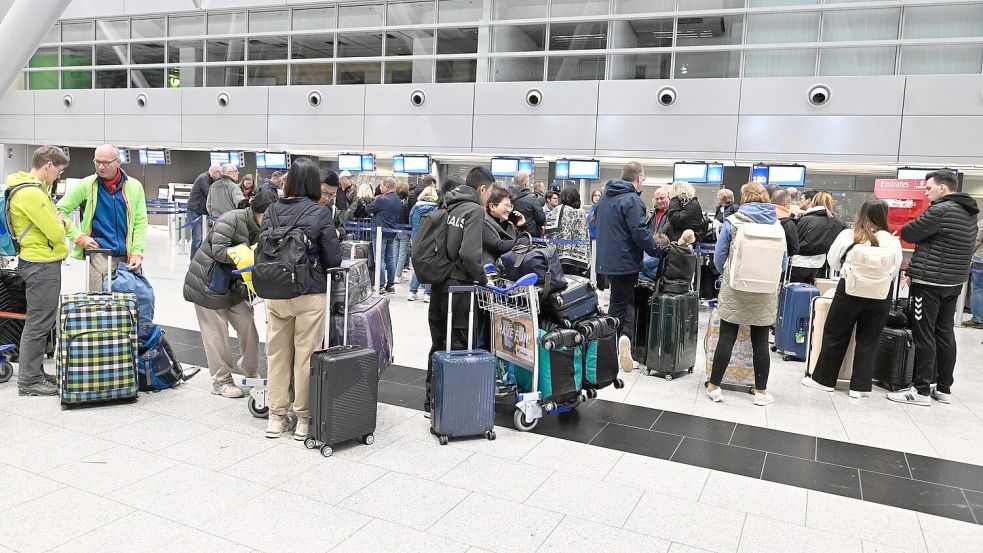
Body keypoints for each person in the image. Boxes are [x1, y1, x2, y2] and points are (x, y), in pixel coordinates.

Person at [261, 158, 342, 439]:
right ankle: (304, 420)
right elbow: (333, 259)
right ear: (312, 184)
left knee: (277, 355)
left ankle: (276, 417)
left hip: (275, 292)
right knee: (305, 356)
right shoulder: (319, 214)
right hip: (309, 293)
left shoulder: (271, 209)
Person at [888, 171, 979, 406]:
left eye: (929, 188)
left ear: (943, 188)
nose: (926, 192)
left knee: (923, 334)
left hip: (929, 284)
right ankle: (944, 387)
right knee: (945, 333)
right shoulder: (969, 213)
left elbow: (909, 232)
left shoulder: (940, 210)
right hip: (953, 283)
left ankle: (920, 391)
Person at [802, 200, 902, 397]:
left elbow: (833, 260)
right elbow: (895, 269)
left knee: (835, 334)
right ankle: (860, 387)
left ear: (862, 213)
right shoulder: (891, 240)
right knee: (868, 339)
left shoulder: (850, 234)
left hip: (850, 288)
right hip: (880, 293)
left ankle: (824, 380)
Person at [183, 191, 277, 399]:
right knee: (216, 334)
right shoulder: (231, 219)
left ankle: (250, 370)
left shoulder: (263, 228)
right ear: (257, 212)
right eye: (268, 217)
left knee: (247, 325)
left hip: (233, 286)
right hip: (207, 284)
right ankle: (221, 381)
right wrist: (246, 253)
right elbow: (218, 251)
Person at [706, 182, 786, 406]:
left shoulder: (733, 222)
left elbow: (719, 258)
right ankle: (761, 392)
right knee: (760, 342)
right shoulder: (777, 225)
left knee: (726, 338)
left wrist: (729, 276)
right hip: (765, 290)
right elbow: (783, 262)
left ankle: (714, 387)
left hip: (735, 288)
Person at [425, 167, 494, 416]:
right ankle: (453, 404)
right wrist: (483, 278)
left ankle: (431, 400)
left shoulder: (448, 206)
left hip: (439, 284)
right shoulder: (474, 211)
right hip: (460, 289)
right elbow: (469, 254)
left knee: (438, 342)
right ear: (482, 189)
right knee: (460, 342)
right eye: (490, 192)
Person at [7, 146, 72, 396]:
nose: (57, 175)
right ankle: (29, 381)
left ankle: (35, 372)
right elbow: (56, 231)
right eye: (58, 170)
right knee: (38, 323)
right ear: (48, 165)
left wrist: (58, 220)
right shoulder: (31, 194)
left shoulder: (28, 188)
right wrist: (63, 222)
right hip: (41, 264)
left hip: (37, 262)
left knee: (41, 322)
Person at [595, 162, 661, 373]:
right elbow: (639, 232)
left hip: (608, 260)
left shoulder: (606, 197)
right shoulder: (632, 200)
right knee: (618, 306)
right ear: (639, 178)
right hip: (625, 261)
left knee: (624, 301)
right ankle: (609, 349)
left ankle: (624, 339)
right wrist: (657, 250)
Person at [58, 144, 148, 291]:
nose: (100, 167)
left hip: (129, 257)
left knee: (130, 303)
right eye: (97, 162)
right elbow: (59, 211)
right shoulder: (87, 185)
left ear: (118, 162)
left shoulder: (135, 186)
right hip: (100, 255)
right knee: (100, 305)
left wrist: (137, 252)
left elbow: (140, 222)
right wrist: (79, 237)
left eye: (106, 163)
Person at [790, 191, 846, 284]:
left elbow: (795, 240)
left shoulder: (805, 219)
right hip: (821, 263)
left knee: (794, 291)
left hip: (799, 262)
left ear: (814, 201)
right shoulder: (838, 223)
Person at [366, 177, 401, 293]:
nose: (380, 188)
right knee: (390, 259)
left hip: (379, 233)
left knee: (379, 259)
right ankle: (390, 285)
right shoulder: (397, 200)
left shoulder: (382, 200)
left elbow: (368, 209)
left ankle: (380, 285)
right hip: (392, 232)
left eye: (381, 186)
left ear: (386, 186)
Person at [544, 187, 590, 277]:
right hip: (576, 256)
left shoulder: (555, 210)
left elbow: (548, 230)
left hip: (557, 254)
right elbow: (585, 234)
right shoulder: (580, 213)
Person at [408, 185, 440, 302]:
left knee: (417, 265)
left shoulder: (415, 208)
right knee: (430, 265)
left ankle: (412, 292)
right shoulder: (436, 209)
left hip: (416, 237)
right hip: (430, 239)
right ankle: (427, 293)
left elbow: (411, 222)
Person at [186, 164, 221, 260]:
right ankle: (193, 261)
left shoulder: (209, 180)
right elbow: (210, 195)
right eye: (220, 174)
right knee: (197, 239)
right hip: (195, 211)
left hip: (201, 212)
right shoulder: (203, 178)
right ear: (215, 172)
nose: (220, 176)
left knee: (202, 239)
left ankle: (199, 260)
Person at [483, 185, 522, 266]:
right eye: (506, 206)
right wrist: (519, 242)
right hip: (488, 271)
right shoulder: (483, 222)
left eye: (510, 206)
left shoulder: (509, 225)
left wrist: (522, 225)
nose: (509, 210)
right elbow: (498, 245)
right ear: (492, 206)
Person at [509, 170, 546, 237]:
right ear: (525, 183)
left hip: (510, 234)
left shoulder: (505, 196)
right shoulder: (531, 198)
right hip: (529, 235)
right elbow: (541, 219)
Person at [770, 188, 800, 257]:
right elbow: (794, 249)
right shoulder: (788, 223)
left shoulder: (762, 217)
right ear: (786, 204)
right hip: (779, 261)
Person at [966, 218, 983, 328]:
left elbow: (977, 238)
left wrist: (968, 252)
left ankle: (978, 319)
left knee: (978, 289)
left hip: (981, 259)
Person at [394, 181, 412, 282]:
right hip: (404, 231)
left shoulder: (394, 202)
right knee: (402, 254)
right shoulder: (407, 203)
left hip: (393, 229)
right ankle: (398, 275)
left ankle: (394, 275)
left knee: (395, 253)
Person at [319, 170, 345, 240]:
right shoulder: (305, 208)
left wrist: (338, 232)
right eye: (324, 192)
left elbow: (341, 228)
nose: (326, 198)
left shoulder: (332, 210)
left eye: (331, 194)